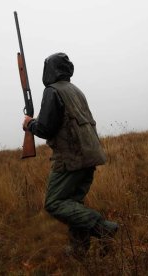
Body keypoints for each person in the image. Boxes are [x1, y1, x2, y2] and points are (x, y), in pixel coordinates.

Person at [22, 53, 119, 258]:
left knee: (54, 203)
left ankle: (104, 228)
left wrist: (29, 124)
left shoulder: (53, 91)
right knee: (74, 203)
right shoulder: (75, 91)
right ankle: (79, 250)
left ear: (50, 70)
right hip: (90, 156)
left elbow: (46, 129)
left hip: (71, 159)